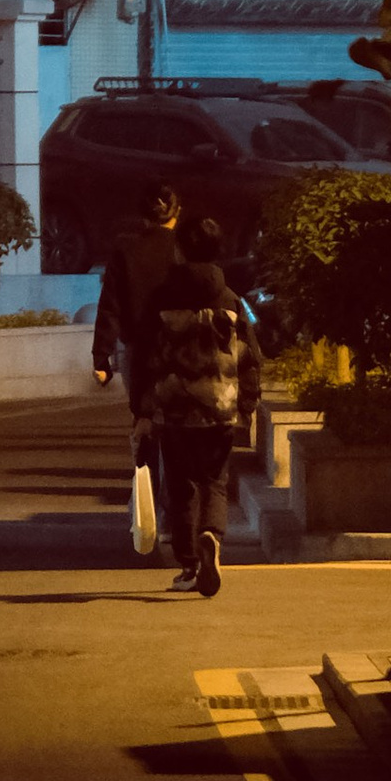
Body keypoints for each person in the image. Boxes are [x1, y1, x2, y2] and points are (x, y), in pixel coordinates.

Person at [139, 210, 261, 599]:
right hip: (219, 408)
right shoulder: (230, 299)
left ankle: (190, 564)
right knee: (214, 482)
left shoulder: (161, 297)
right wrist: (247, 404)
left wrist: (142, 411)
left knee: (180, 487)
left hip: (174, 409)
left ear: (180, 250)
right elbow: (250, 356)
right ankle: (212, 534)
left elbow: (143, 356)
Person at [93, 180, 186, 553]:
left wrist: (101, 357)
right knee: (177, 429)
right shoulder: (184, 248)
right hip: (180, 350)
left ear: (142, 215)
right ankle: (175, 515)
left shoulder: (126, 249)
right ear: (176, 213)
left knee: (146, 426)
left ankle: (149, 510)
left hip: (138, 351)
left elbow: (110, 304)